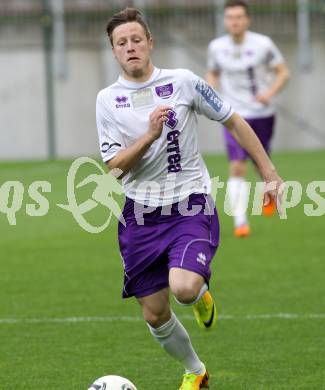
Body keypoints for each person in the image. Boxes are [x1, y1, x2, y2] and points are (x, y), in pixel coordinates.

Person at [96, 7, 283, 389]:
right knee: (154, 313)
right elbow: (114, 168)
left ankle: (198, 292)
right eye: (121, 43)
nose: (130, 47)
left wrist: (268, 171)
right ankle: (196, 371)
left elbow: (233, 119)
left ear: (150, 43)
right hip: (140, 216)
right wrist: (148, 136)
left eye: (136, 39)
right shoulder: (107, 100)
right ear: (114, 51)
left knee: (182, 288)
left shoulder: (183, 82)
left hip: (189, 205)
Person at [206, 0, 289, 238]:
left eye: (239, 17)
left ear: (247, 20)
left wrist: (269, 93)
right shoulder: (216, 47)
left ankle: (268, 193)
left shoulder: (263, 44)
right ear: (225, 20)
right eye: (230, 17)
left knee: (261, 163)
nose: (234, 21)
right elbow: (212, 72)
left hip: (262, 113)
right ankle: (240, 222)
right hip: (233, 115)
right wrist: (210, 89)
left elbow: (283, 72)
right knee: (237, 164)